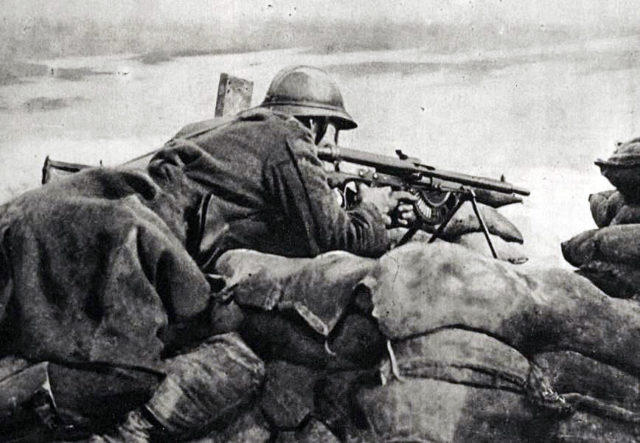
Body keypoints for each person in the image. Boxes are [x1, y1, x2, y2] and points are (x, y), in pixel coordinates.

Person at [149, 65, 416, 272]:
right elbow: (335, 242)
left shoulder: (217, 130)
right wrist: (372, 207)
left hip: (150, 229)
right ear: (315, 123)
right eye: (335, 129)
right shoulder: (289, 135)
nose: (333, 148)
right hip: (165, 243)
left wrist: (351, 209)